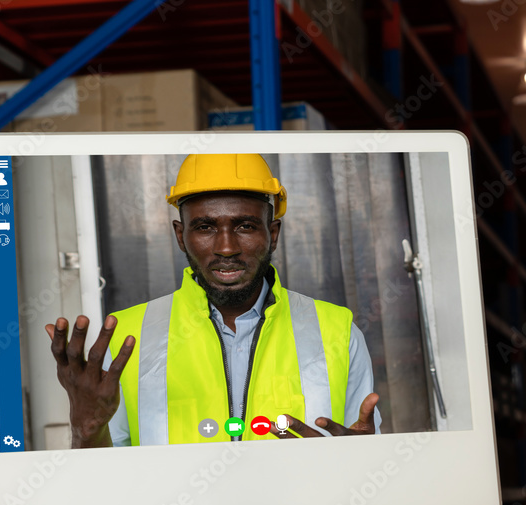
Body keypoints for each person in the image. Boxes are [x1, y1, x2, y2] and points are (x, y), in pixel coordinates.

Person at [45, 153, 381, 448]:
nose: (225, 248)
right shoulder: (124, 339)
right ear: (181, 235)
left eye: (246, 226)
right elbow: (103, 486)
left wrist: (362, 461)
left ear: (273, 233)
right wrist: (86, 431)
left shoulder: (335, 330)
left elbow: (362, 453)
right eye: (205, 228)